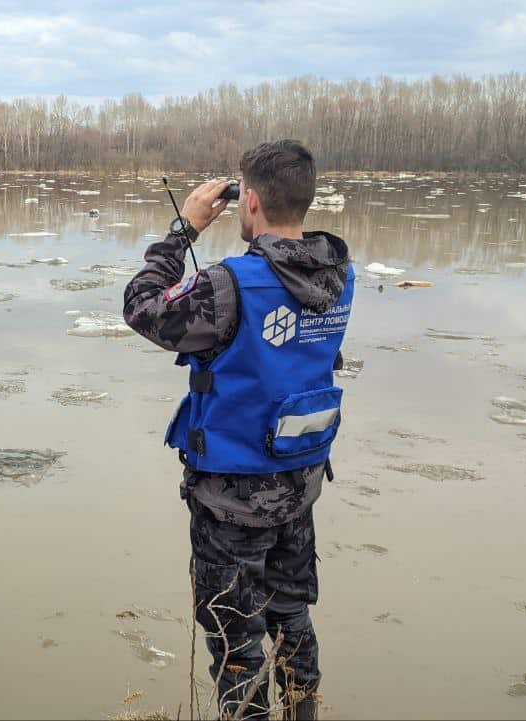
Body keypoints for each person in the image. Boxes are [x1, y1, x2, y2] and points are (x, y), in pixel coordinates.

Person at [123, 140, 354, 720]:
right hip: (299, 481)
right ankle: (304, 709)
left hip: (232, 494)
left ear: (247, 200)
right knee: (293, 613)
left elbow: (142, 307)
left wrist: (184, 230)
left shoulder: (231, 285)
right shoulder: (338, 274)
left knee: (235, 643)